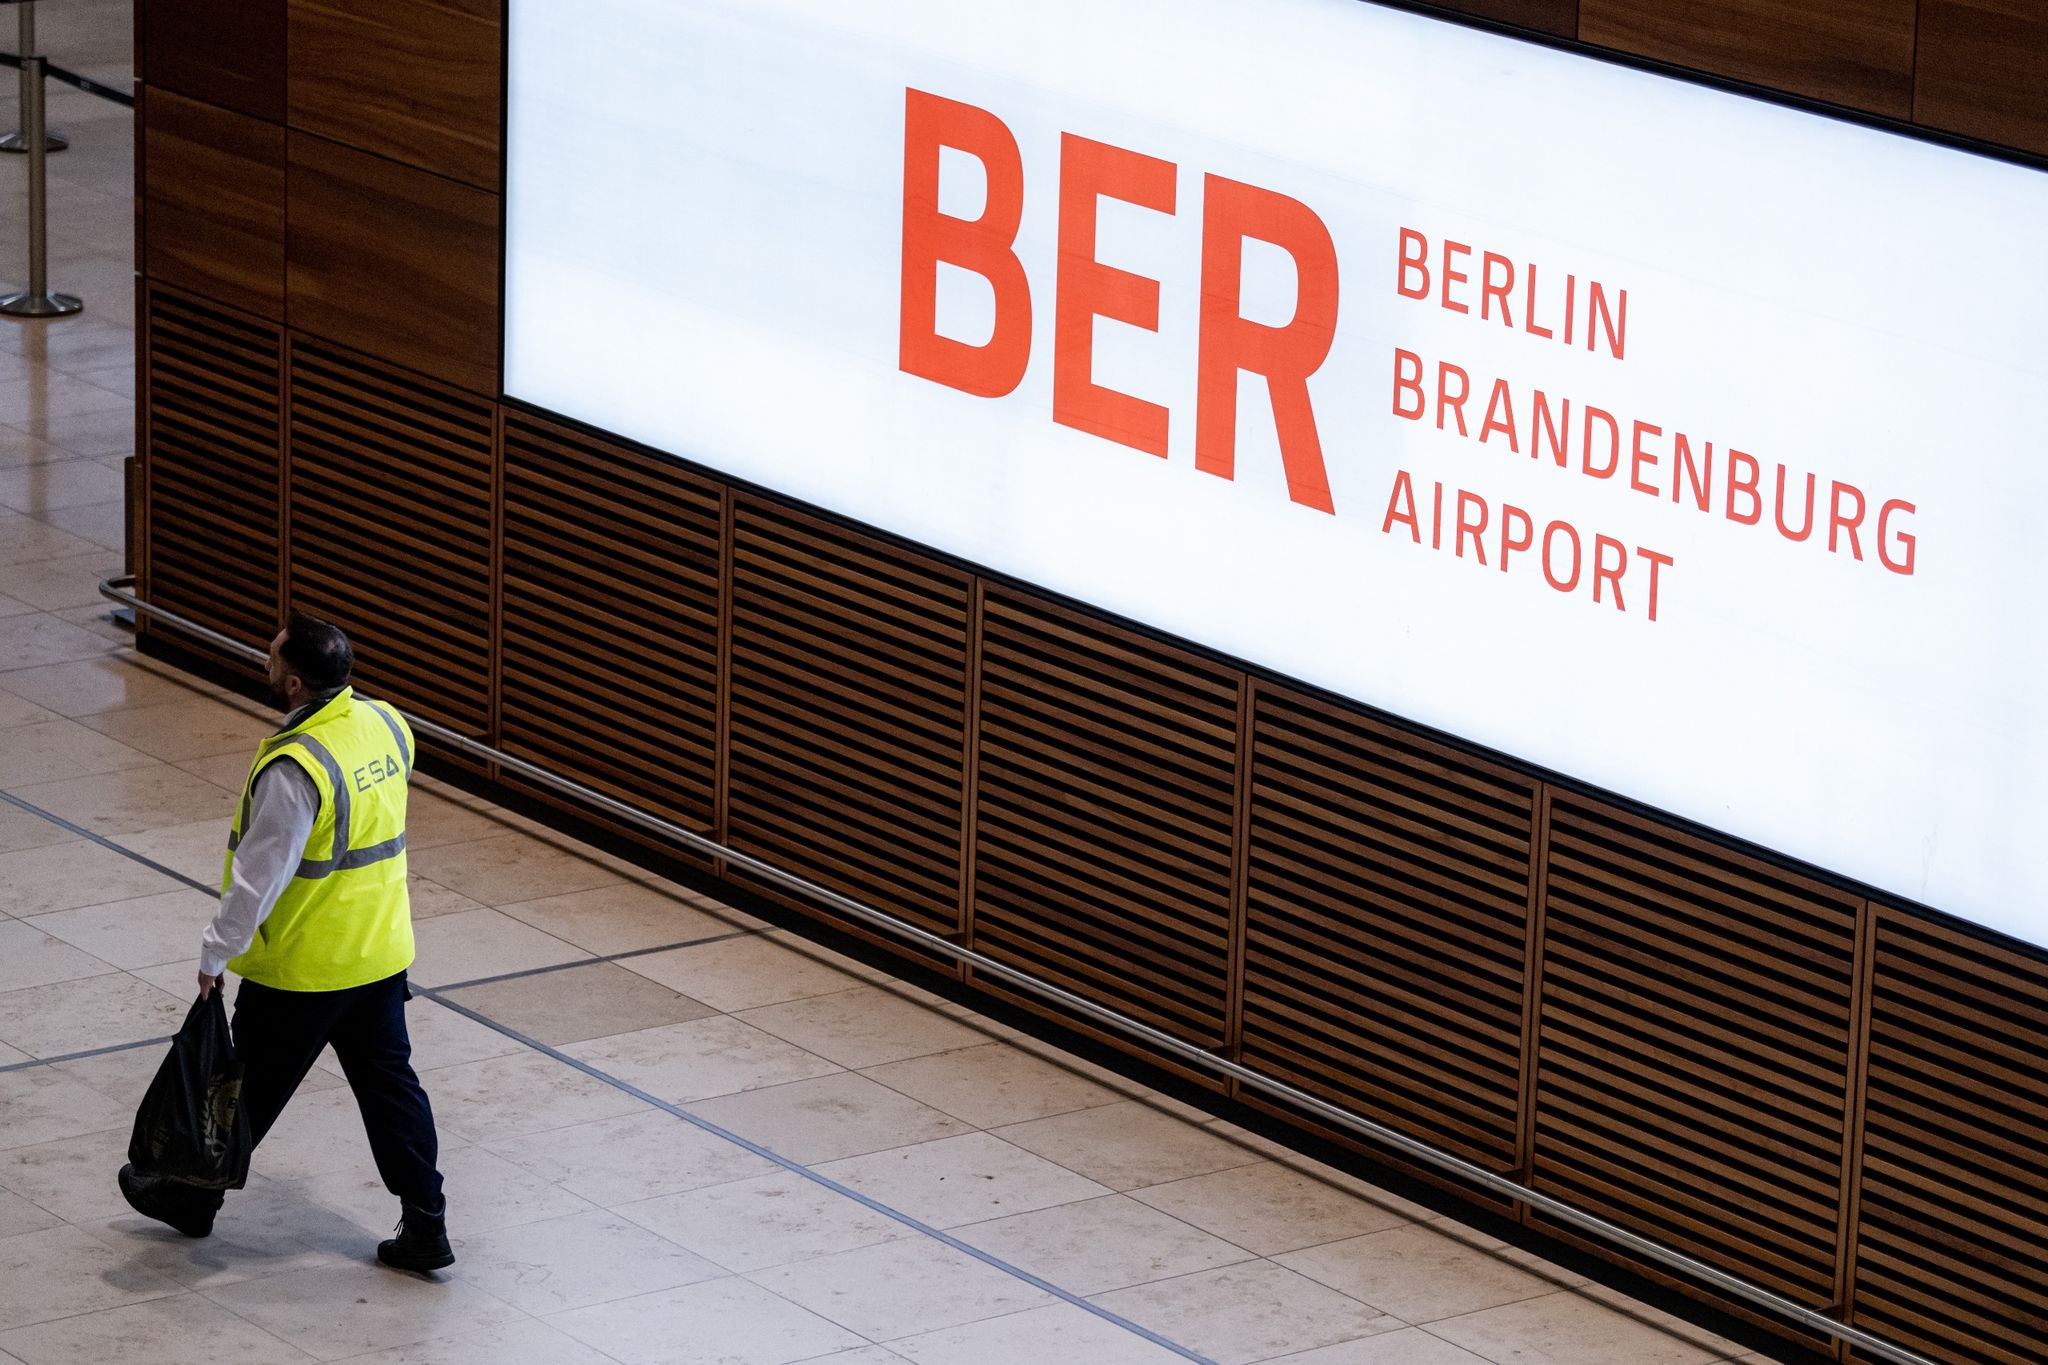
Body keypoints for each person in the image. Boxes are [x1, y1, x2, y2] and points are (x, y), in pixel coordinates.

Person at [117, 614, 453, 1273]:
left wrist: (215, 953)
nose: (264, 661)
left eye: (271, 657)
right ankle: (427, 1222)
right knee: (392, 1090)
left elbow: (258, 878)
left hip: (303, 967)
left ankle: (192, 1200)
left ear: (293, 681)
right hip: (379, 953)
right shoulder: (387, 723)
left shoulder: (295, 767)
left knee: (246, 1090)